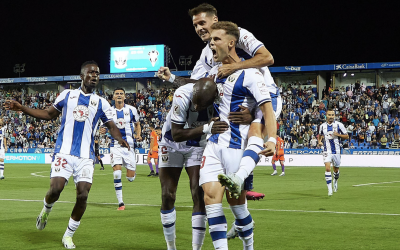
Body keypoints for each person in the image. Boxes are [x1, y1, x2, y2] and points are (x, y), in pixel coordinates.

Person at [4, 61, 129, 249]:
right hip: (64, 152)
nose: (95, 75)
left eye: (97, 73)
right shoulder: (67, 95)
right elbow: (48, 114)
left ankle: (68, 235)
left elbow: (111, 126)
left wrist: (120, 139)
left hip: (86, 157)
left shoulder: (102, 103)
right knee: (55, 190)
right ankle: (46, 209)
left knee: (83, 195)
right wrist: (22, 108)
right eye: (91, 72)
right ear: (81, 76)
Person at [195, 21, 275, 250]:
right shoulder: (213, 73)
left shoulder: (250, 75)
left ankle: (248, 245)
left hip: (236, 145)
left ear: (231, 43)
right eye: (210, 40)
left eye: (216, 39)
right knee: (211, 199)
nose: (211, 43)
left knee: (237, 206)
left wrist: (271, 138)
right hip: (214, 143)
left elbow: (267, 110)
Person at [156, 77, 228, 250]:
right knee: (167, 195)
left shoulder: (222, 95)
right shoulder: (181, 95)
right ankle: (171, 247)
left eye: (201, 106)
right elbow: (176, 134)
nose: (196, 108)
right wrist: (205, 128)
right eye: (195, 103)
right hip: (171, 143)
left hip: (197, 145)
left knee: (198, 193)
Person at [100, 87, 141, 210]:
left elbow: (137, 124)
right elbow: (103, 127)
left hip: (129, 147)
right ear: (113, 97)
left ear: (124, 97)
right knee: (117, 173)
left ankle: (129, 170)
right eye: (116, 93)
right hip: (115, 146)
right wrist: (102, 130)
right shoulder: (108, 111)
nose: (118, 95)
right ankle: (121, 203)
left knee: (130, 178)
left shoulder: (132, 110)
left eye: (121, 94)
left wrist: (138, 134)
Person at [318, 109, 348, 196]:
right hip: (327, 150)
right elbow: (320, 135)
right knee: (327, 168)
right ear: (326, 116)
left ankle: (335, 180)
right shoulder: (322, 126)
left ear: (334, 116)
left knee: (336, 169)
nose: (331, 116)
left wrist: (338, 135)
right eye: (329, 115)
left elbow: (346, 136)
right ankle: (329, 189)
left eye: (332, 115)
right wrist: (319, 141)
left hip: (337, 151)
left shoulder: (339, 125)